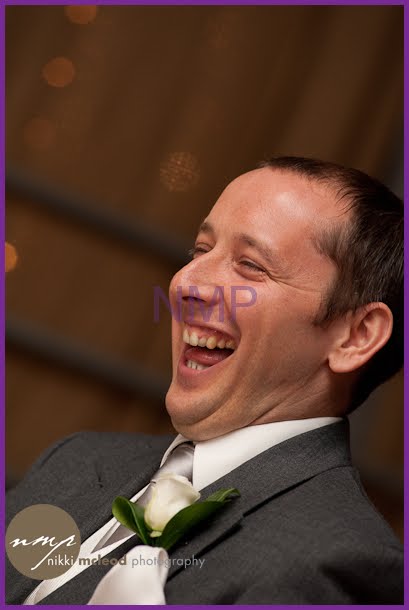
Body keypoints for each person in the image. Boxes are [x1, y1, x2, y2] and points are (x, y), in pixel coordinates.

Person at [6, 157, 403, 604]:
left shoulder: (335, 561)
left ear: (356, 336)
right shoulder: (77, 459)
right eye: (199, 251)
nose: (185, 283)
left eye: (250, 265)